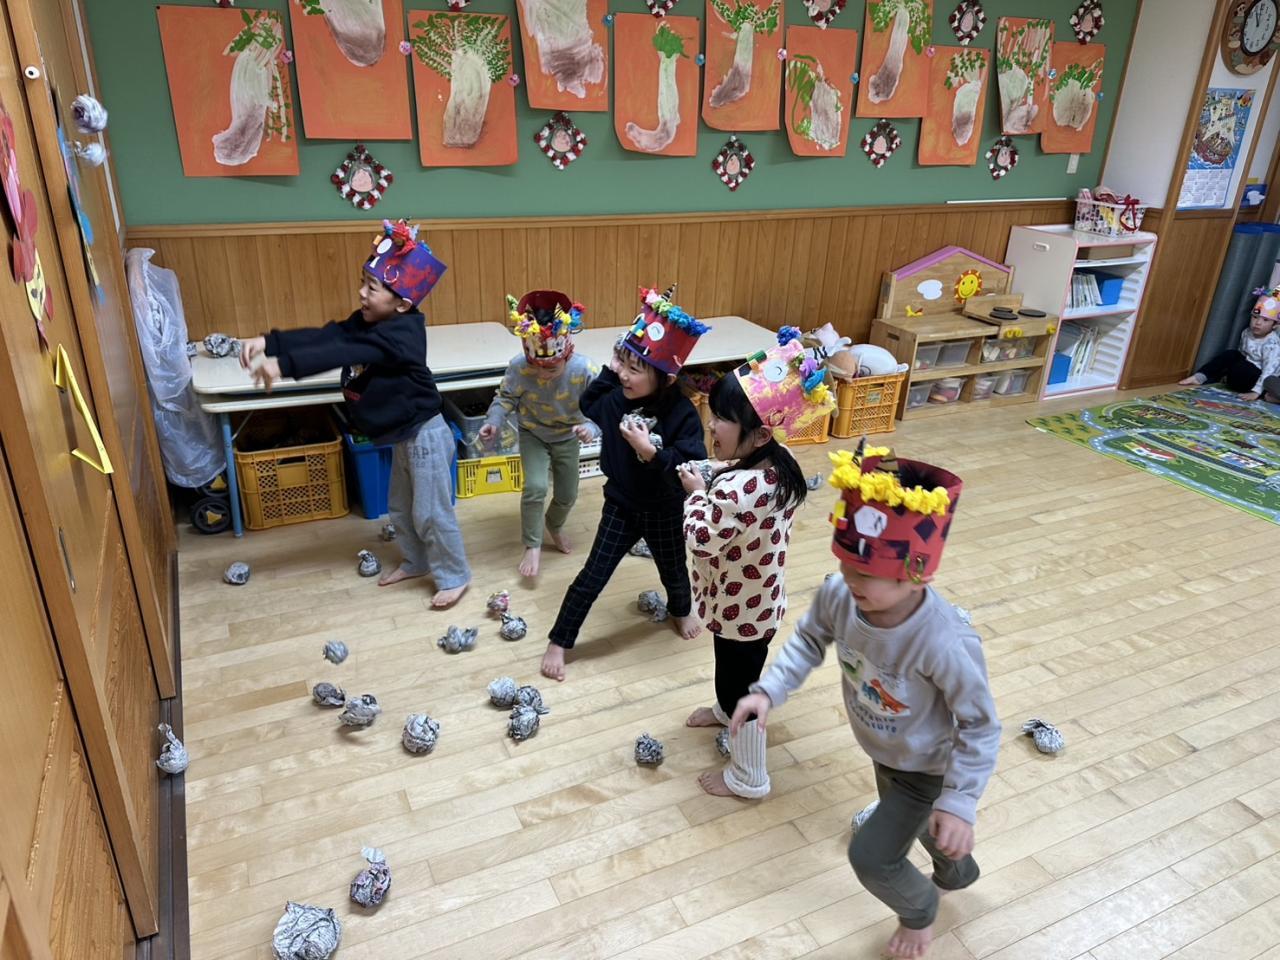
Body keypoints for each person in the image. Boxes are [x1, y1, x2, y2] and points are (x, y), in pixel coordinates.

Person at [731, 443, 1000, 959]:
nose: (848, 581)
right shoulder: (841, 594)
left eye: (865, 574)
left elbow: (980, 725)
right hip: (886, 751)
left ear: (915, 572)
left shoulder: (944, 641)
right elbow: (809, 640)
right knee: (926, 828)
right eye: (845, 566)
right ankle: (957, 870)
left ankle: (920, 910)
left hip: (929, 767)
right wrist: (769, 691)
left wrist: (960, 802)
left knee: (873, 857)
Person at [239, 219, 470, 608]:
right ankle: (416, 562)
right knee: (400, 507)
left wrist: (283, 366)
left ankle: (455, 575)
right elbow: (329, 336)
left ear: (402, 303)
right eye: (363, 282)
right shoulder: (370, 320)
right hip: (401, 434)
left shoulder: (400, 335)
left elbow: (342, 352)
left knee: (430, 512)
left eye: (372, 287)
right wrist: (271, 342)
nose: (362, 292)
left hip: (425, 436)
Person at [679, 327, 835, 798]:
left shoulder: (737, 490)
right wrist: (713, 476)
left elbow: (702, 538)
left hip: (738, 611)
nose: (711, 425)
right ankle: (725, 709)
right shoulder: (777, 463)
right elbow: (740, 483)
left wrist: (695, 495)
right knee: (733, 676)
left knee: (742, 691)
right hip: (755, 605)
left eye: (722, 420)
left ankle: (749, 777)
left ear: (760, 433)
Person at [541, 286, 709, 681]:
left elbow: (693, 464)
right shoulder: (616, 397)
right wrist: (611, 366)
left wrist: (650, 452)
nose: (624, 374)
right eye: (623, 364)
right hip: (620, 504)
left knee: (674, 570)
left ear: (666, 378)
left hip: (664, 507)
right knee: (592, 575)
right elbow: (588, 404)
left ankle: (681, 611)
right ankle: (560, 640)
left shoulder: (681, 412)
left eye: (635, 369)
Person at [479, 291, 599, 578]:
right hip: (533, 433)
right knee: (535, 487)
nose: (543, 374)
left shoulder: (585, 369)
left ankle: (553, 525)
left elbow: (604, 407)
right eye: (537, 367)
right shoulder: (518, 367)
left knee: (567, 495)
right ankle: (532, 544)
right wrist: (494, 420)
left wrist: (591, 428)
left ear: (567, 353)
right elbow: (505, 397)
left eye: (552, 368)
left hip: (567, 435)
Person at [1180, 286, 1280, 400]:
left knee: (1261, 376)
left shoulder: (1272, 344)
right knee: (1231, 354)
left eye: (1265, 320)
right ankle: (1200, 377)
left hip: (1260, 377)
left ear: (1275, 325)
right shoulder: (1247, 332)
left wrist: (1255, 392)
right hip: (1243, 372)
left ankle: (1266, 394)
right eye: (1255, 317)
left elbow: (1269, 370)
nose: (1258, 323)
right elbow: (1242, 354)